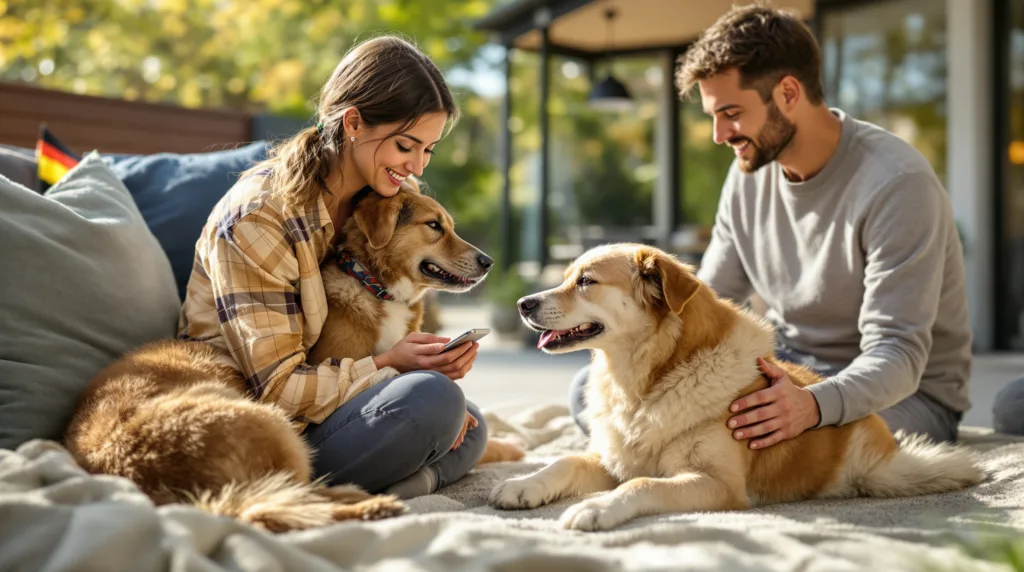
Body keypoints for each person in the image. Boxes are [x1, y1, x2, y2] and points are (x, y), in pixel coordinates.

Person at [569, 3, 973, 448]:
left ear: (788, 93)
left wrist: (811, 405)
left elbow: (898, 354)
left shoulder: (897, 184)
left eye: (731, 113)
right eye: (713, 117)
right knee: (592, 393)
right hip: (783, 368)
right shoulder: (749, 172)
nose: (720, 135)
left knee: (736, 437)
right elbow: (707, 303)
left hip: (903, 396)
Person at [178, 35, 486, 499]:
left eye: (428, 150)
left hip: (322, 410)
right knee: (433, 403)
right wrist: (389, 367)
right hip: (256, 430)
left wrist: (417, 365)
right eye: (406, 145)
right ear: (354, 123)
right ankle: (394, 480)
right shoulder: (260, 216)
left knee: (470, 422)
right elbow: (276, 391)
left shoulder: (377, 197)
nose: (417, 165)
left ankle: (412, 479)